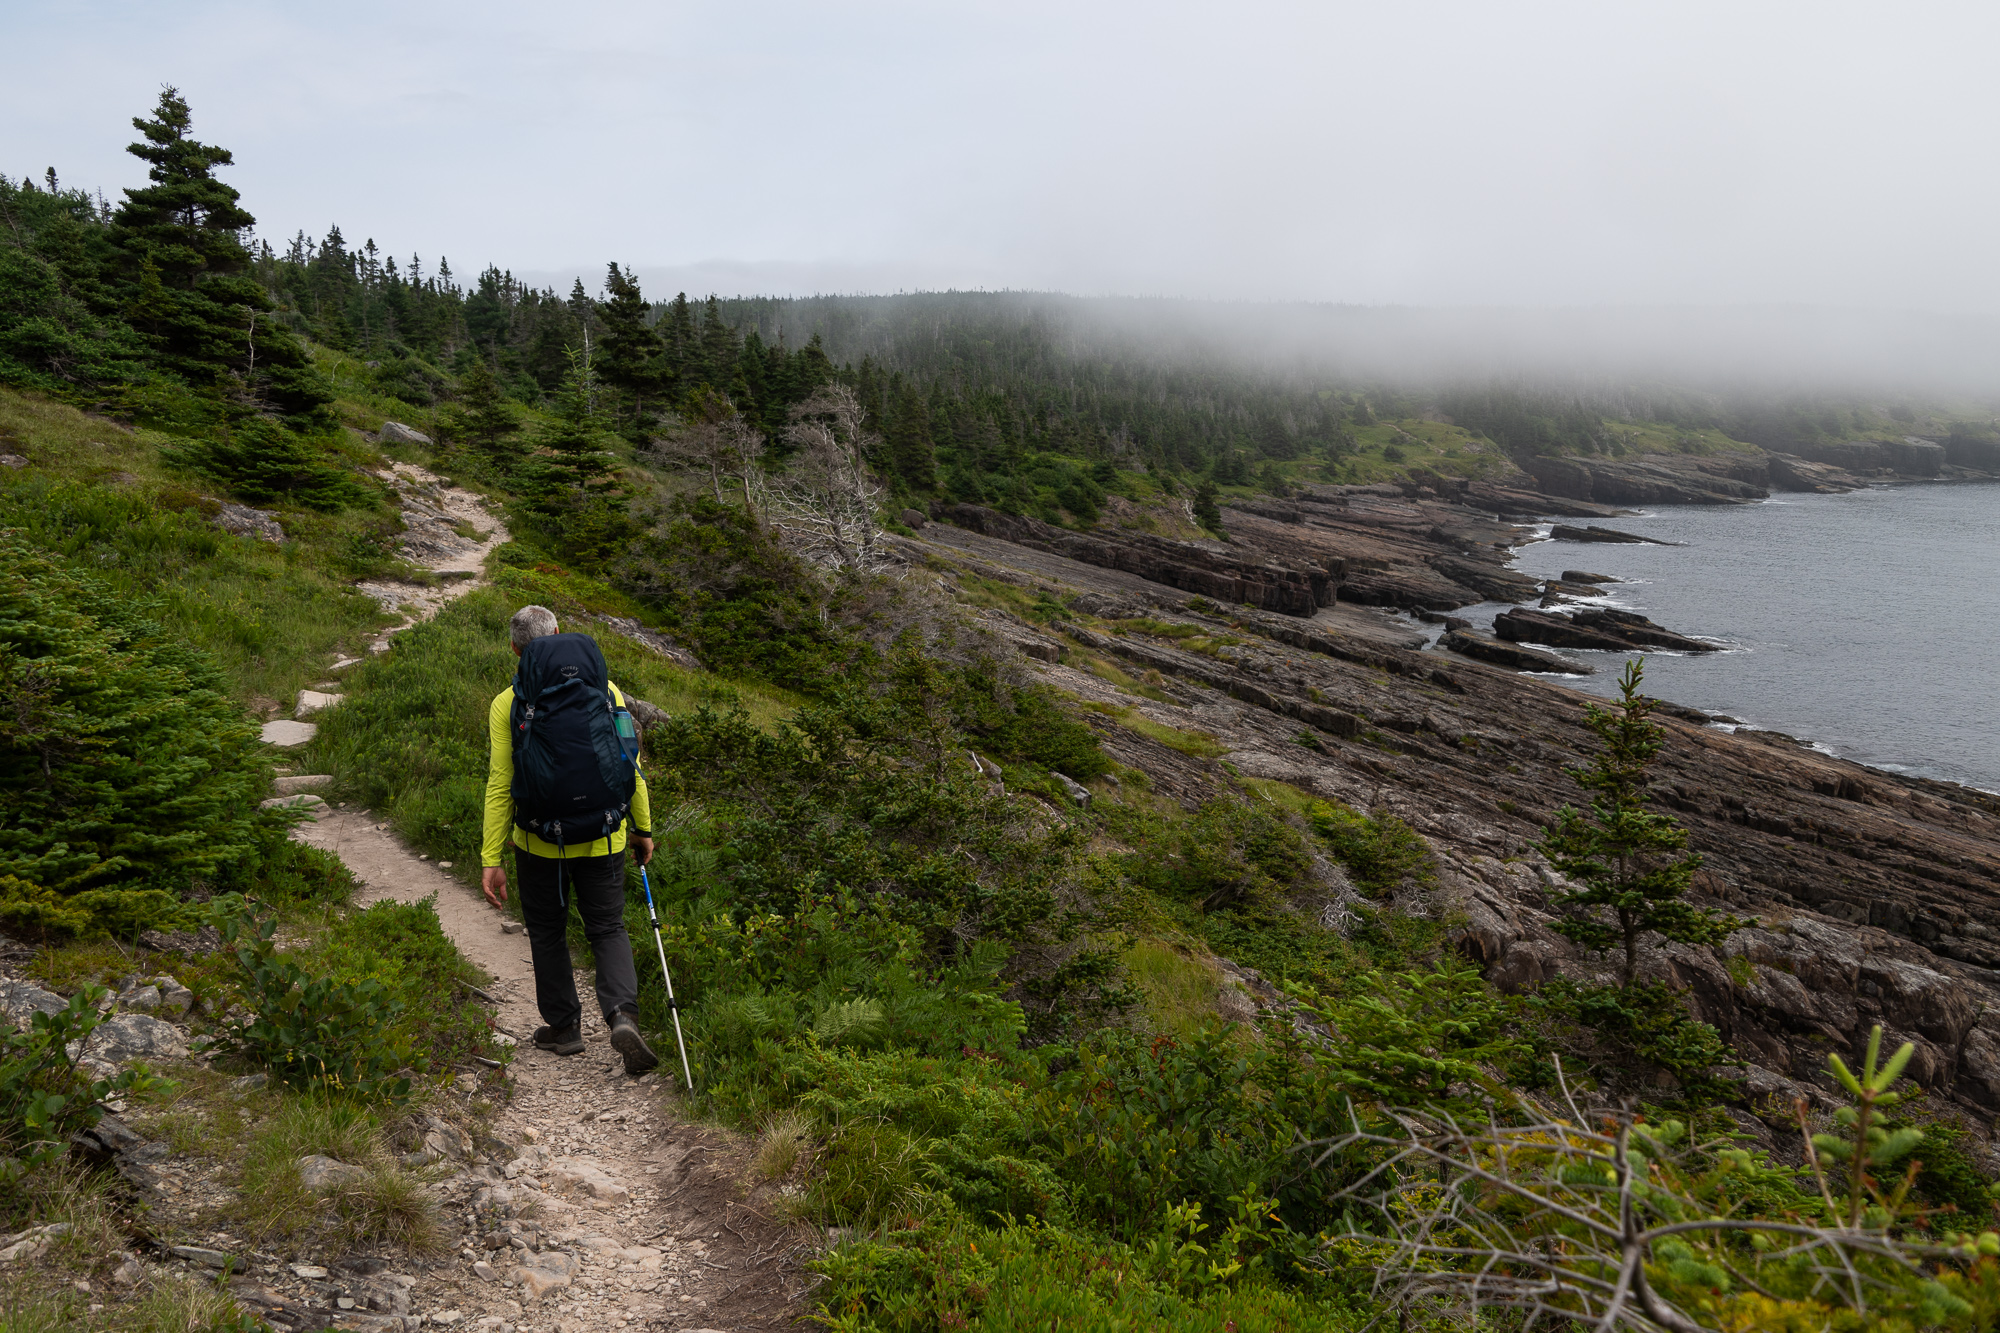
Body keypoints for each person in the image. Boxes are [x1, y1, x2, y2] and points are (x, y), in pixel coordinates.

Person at [480, 604, 659, 1075]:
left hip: (540, 842)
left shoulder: (507, 703)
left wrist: (490, 856)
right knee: (607, 927)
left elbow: (501, 783)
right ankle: (622, 1015)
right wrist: (641, 827)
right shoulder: (607, 689)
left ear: (516, 650)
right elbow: (630, 764)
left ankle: (565, 1028)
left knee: (547, 930)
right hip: (605, 836)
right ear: (558, 633)